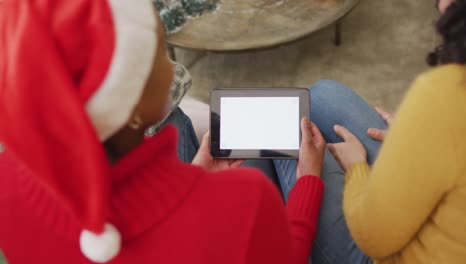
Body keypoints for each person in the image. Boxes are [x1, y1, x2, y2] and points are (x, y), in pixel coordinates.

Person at [0, 0, 328, 263]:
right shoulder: (247, 201)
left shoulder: (6, 185)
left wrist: (191, 178)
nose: (171, 67)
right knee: (325, 98)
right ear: (135, 105)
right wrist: (308, 182)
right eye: (159, 48)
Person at [274, 0, 466, 263]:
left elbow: (372, 237)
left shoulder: (445, 93)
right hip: (438, 222)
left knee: (283, 125)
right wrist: (417, 140)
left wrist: (356, 167)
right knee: (322, 94)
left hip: (387, 251)